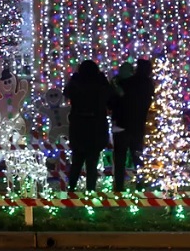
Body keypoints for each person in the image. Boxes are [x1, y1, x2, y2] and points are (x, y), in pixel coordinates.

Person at [63, 60, 114, 193]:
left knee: (77, 161)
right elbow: (109, 98)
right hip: (96, 125)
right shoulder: (101, 81)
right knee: (92, 162)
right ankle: (90, 190)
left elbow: (66, 93)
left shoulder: (76, 81)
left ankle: (72, 189)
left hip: (79, 125)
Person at [109, 57, 155, 193]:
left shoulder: (125, 83)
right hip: (137, 126)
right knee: (137, 157)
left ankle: (119, 187)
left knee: (120, 158)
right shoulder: (148, 85)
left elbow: (113, 102)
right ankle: (140, 185)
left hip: (121, 125)